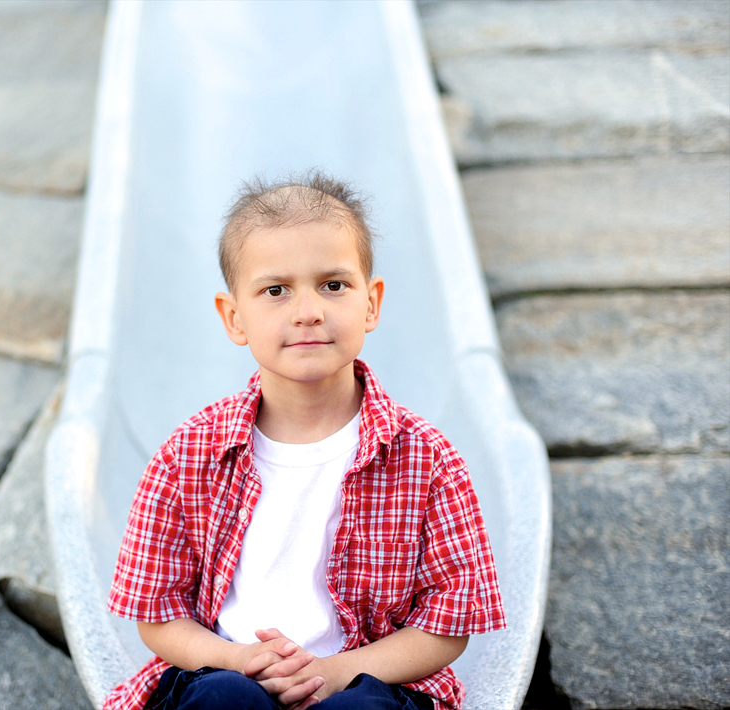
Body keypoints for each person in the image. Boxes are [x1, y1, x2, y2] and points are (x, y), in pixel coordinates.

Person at [105, 173, 506, 710]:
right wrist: (240, 659)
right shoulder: (189, 454)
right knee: (223, 701)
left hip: (367, 680)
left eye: (333, 285)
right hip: (227, 669)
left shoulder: (427, 459)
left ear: (371, 302)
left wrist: (336, 672)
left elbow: (450, 623)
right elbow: (157, 613)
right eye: (276, 291)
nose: (308, 310)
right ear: (233, 317)